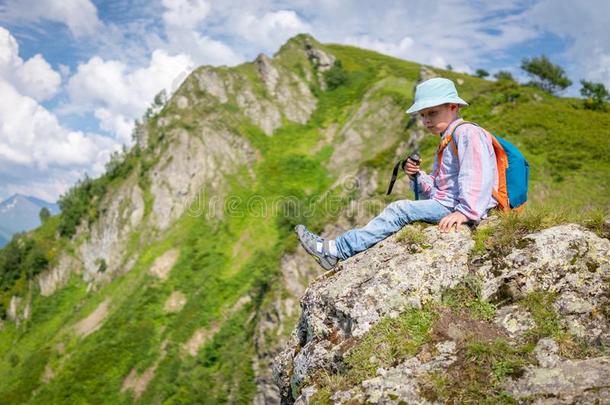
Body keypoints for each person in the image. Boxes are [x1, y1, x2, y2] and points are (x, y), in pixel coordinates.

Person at [296, 77, 498, 270]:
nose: (426, 120)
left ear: (453, 107)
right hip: (449, 204)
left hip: (459, 208)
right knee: (401, 209)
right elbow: (438, 189)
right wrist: (416, 176)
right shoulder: (449, 137)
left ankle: (336, 250)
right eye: (422, 115)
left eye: (432, 113)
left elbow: (477, 176)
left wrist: (465, 213)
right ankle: (337, 248)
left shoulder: (468, 133)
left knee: (400, 210)